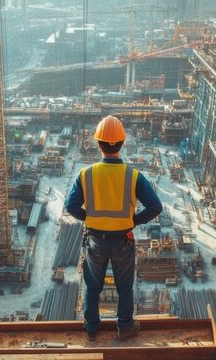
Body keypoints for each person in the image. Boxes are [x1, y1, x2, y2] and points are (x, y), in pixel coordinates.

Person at [65, 115, 163, 341]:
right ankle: (125, 327)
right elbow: (155, 206)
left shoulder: (86, 174)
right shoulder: (133, 175)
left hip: (96, 241)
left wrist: (89, 218)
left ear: (98, 144)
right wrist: (134, 221)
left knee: (92, 287)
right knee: (125, 287)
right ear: (122, 142)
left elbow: (70, 206)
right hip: (123, 241)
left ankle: (91, 329)